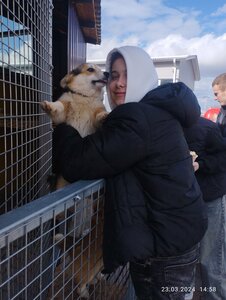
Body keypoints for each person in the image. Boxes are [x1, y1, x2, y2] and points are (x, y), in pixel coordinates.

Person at [52, 46, 207, 299]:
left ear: (144, 76)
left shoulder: (137, 117)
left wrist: (63, 123)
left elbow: (77, 162)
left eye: (127, 75)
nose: (118, 83)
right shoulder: (158, 110)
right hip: (178, 237)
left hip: (163, 251)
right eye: (113, 75)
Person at [184, 117, 226, 300]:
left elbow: (223, 158)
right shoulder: (165, 129)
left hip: (210, 198)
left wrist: (200, 164)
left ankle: (215, 296)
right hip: (184, 202)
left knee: (210, 256)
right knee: (188, 259)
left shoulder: (207, 128)